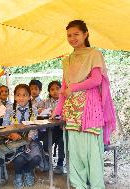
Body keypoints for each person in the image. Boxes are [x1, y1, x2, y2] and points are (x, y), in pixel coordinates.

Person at [52, 20, 116, 189]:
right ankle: (79, 185)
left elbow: (96, 80)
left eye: (76, 34)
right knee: (75, 152)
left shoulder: (94, 54)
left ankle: (96, 186)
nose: (72, 38)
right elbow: (64, 87)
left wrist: (74, 88)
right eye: (69, 35)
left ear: (85, 34)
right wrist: (57, 110)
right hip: (71, 110)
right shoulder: (67, 60)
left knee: (92, 153)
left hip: (90, 108)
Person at [39, 81, 65, 174]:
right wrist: (41, 110)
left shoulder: (65, 100)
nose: (55, 91)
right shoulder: (46, 102)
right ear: (49, 91)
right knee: (46, 142)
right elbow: (38, 110)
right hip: (49, 129)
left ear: (62, 89)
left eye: (57, 89)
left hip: (62, 129)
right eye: (52, 89)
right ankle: (47, 162)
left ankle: (60, 164)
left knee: (62, 142)